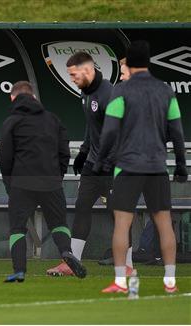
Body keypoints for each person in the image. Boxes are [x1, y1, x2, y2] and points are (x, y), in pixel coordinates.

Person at [95, 41, 188, 293]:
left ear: (129, 63)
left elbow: (110, 130)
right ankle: (170, 281)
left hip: (128, 166)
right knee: (164, 223)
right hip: (157, 166)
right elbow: (177, 131)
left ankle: (121, 281)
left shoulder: (121, 91)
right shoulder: (165, 91)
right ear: (148, 61)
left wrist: (102, 161)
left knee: (122, 224)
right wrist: (180, 164)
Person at [46, 51, 135, 277]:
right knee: (82, 206)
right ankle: (71, 262)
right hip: (93, 164)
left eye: (74, 75)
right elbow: (92, 127)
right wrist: (84, 153)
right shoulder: (86, 94)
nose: (72, 79)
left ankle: (127, 264)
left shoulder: (109, 94)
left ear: (87, 70)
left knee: (119, 213)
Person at [0, 81, 86, 282]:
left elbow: (5, 158)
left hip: (22, 182)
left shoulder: (11, 121)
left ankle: (19, 270)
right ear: (34, 98)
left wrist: (9, 184)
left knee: (17, 228)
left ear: (13, 98)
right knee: (58, 223)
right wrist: (58, 176)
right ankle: (66, 252)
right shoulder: (53, 120)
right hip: (51, 181)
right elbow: (64, 151)